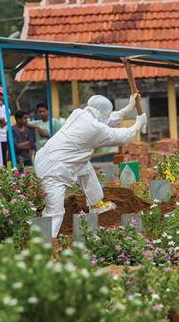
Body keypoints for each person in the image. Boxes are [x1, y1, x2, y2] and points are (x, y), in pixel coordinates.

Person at [35, 93, 145, 238]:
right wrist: (137, 125)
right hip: (53, 170)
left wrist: (127, 109)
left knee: (85, 168)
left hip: (46, 157)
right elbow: (120, 137)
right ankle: (43, 246)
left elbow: (105, 121)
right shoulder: (95, 128)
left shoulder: (79, 114)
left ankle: (96, 204)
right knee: (54, 211)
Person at [0, 87, 10, 166]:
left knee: (3, 159)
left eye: (1, 95)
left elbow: (3, 124)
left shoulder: (6, 108)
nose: (0, 97)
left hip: (3, 136)